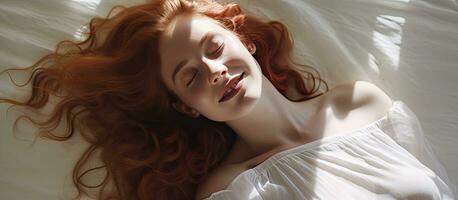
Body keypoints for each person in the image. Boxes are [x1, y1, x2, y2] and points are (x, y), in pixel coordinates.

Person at [0, 0, 455, 200]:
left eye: (215, 49)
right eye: (191, 75)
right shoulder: (231, 189)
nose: (215, 70)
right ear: (185, 106)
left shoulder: (362, 104)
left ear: (245, 41)